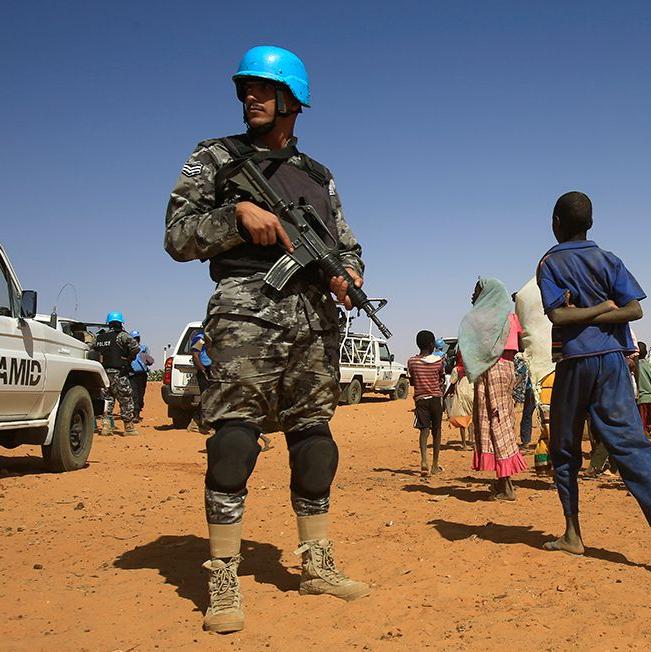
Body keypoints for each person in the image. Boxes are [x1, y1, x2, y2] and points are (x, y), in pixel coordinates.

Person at [164, 45, 369, 634]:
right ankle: (223, 575)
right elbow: (177, 235)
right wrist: (235, 219)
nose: (249, 97)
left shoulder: (319, 177)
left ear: (291, 100)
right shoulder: (216, 158)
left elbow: (347, 244)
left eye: (262, 89)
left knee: (315, 442)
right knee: (234, 443)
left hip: (313, 321)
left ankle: (316, 563)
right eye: (244, 89)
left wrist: (348, 275)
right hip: (244, 316)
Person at [536, 191, 651, 580]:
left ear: (556, 222)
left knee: (563, 447)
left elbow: (558, 315)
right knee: (631, 443)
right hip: (613, 360)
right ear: (590, 223)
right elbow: (634, 308)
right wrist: (605, 309)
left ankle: (573, 533)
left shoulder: (549, 262)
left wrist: (582, 315)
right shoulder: (609, 259)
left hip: (575, 362)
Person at [458, 278, 528, 501]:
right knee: (497, 421)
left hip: (490, 371)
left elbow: (467, 348)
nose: (472, 295)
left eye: (476, 290)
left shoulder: (477, 318)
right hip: (506, 370)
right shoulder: (510, 317)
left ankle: (507, 487)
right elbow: (520, 343)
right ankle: (501, 482)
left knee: (495, 423)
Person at [92, 312, 140, 436]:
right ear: (120, 323)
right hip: (119, 373)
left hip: (102, 374)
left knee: (107, 400)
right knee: (126, 398)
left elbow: (92, 349)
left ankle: (106, 427)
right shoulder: (122, 335)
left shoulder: (99, 337)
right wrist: (129, 359)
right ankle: (129, 428)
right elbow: (136, 348)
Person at [407, 330, 445, 476]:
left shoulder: (412, 362)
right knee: (437, 431)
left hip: (421, 400)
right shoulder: (438, 362)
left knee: (424, 430)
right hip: (436, 399)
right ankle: (435, 465)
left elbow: (412, 381)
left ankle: (424, 460)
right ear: (431, 345)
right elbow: (440, 379)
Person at [188, 330, 213, 434]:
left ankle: (194, 422)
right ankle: (206, 425)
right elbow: (195, 356)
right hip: (204, 370)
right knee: (208, 398)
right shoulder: (201, 338)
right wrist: (203, 371)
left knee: (207, 397)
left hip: (212, 369)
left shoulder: (212, 337)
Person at [128, 330, 153, 422]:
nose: (136, 340)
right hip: (131, 374)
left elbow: (149, 361)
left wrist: (147, 360)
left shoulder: (143, 348)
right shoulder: (128, 349)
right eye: (134, 338)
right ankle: (135, 414)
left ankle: (138, 410)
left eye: (137, 338)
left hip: (142, 375)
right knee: (134, 394)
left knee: (140, 394)